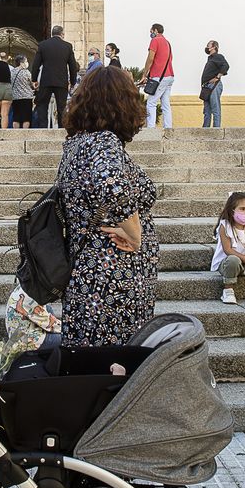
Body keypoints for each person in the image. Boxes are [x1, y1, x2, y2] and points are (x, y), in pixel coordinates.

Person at [58, 66, 158, 346]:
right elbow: (113, 188)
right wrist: (136, 234)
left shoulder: (77, 144)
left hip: (89, 273)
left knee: (91, 359)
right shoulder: (104, 142)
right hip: (112, 276)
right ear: (121, 102)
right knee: (114, 360)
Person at [31, 24, 79, 128]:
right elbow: (73, 66)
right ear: (62, 34)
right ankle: (61, 128)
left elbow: (36, 64)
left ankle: (43, 127)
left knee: (42, 105)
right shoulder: (67, 46)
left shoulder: (43, 45)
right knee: (61, 106)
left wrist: (34, 79)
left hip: (46, 80)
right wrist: (73, 82)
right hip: (61, 81)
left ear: (52, 34)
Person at [139, 22, 176, 130]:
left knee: (151, 103)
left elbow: (150, 58)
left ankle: (151, 128)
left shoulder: (155, 40)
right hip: (169, 76)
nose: (150, 33)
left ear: (155, 30)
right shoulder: (167, 42)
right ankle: (168, 127)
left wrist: (144, 74)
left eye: (151, 31)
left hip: (159, 77)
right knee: (165, 104)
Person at [201, 39, 229, 128]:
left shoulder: (218, 56)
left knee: (215, 108)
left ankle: (216, 129)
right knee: (207, 110)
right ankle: (206, 129)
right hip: (206, 87)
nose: (207, 47)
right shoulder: (210, 58)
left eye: (208, 45)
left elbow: (226, 66)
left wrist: (217, 77)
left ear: (214, 47)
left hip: (214, 86)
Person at [10, 54, 35, 129]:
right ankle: (25, 133)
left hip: (15, 97)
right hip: (26, 97)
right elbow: (32, 84)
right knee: (26, 118)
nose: (27, 63)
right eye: (26, 61)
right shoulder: (26, 72)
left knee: (16, 117)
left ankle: (16, 133)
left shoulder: (12, 72)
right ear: (21, 63)